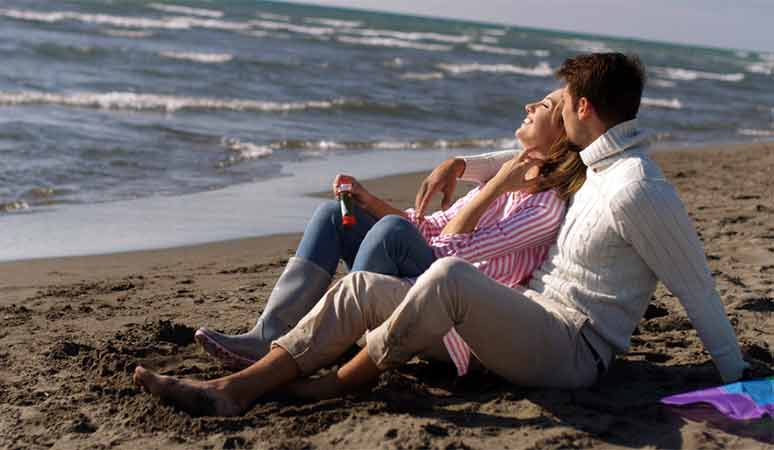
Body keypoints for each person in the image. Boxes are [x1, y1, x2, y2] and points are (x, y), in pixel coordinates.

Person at [134, 53, 748, 417]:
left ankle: (324, 384)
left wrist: (743, 387)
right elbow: (522, 164)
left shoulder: (638, 186)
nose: (551, 110)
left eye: (559, 102)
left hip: (574, 350)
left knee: (447, 274)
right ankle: (237, 386)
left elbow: (697, 288)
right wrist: (460, 165)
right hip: (526, 321)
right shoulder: (594, 170)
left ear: (584, 110)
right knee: (363, 289)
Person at [195, 88, 584, 373]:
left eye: (544, 106)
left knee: (393, 230)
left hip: (451, 310)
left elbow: (451, 254)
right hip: (430, 272)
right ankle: (270, 334)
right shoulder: (511, 174)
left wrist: (496, 185)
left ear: (562, 135)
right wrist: (367, 199)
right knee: (335, 214)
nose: (529, 106)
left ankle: (327, 340)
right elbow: (429, 228)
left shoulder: (542, 208)